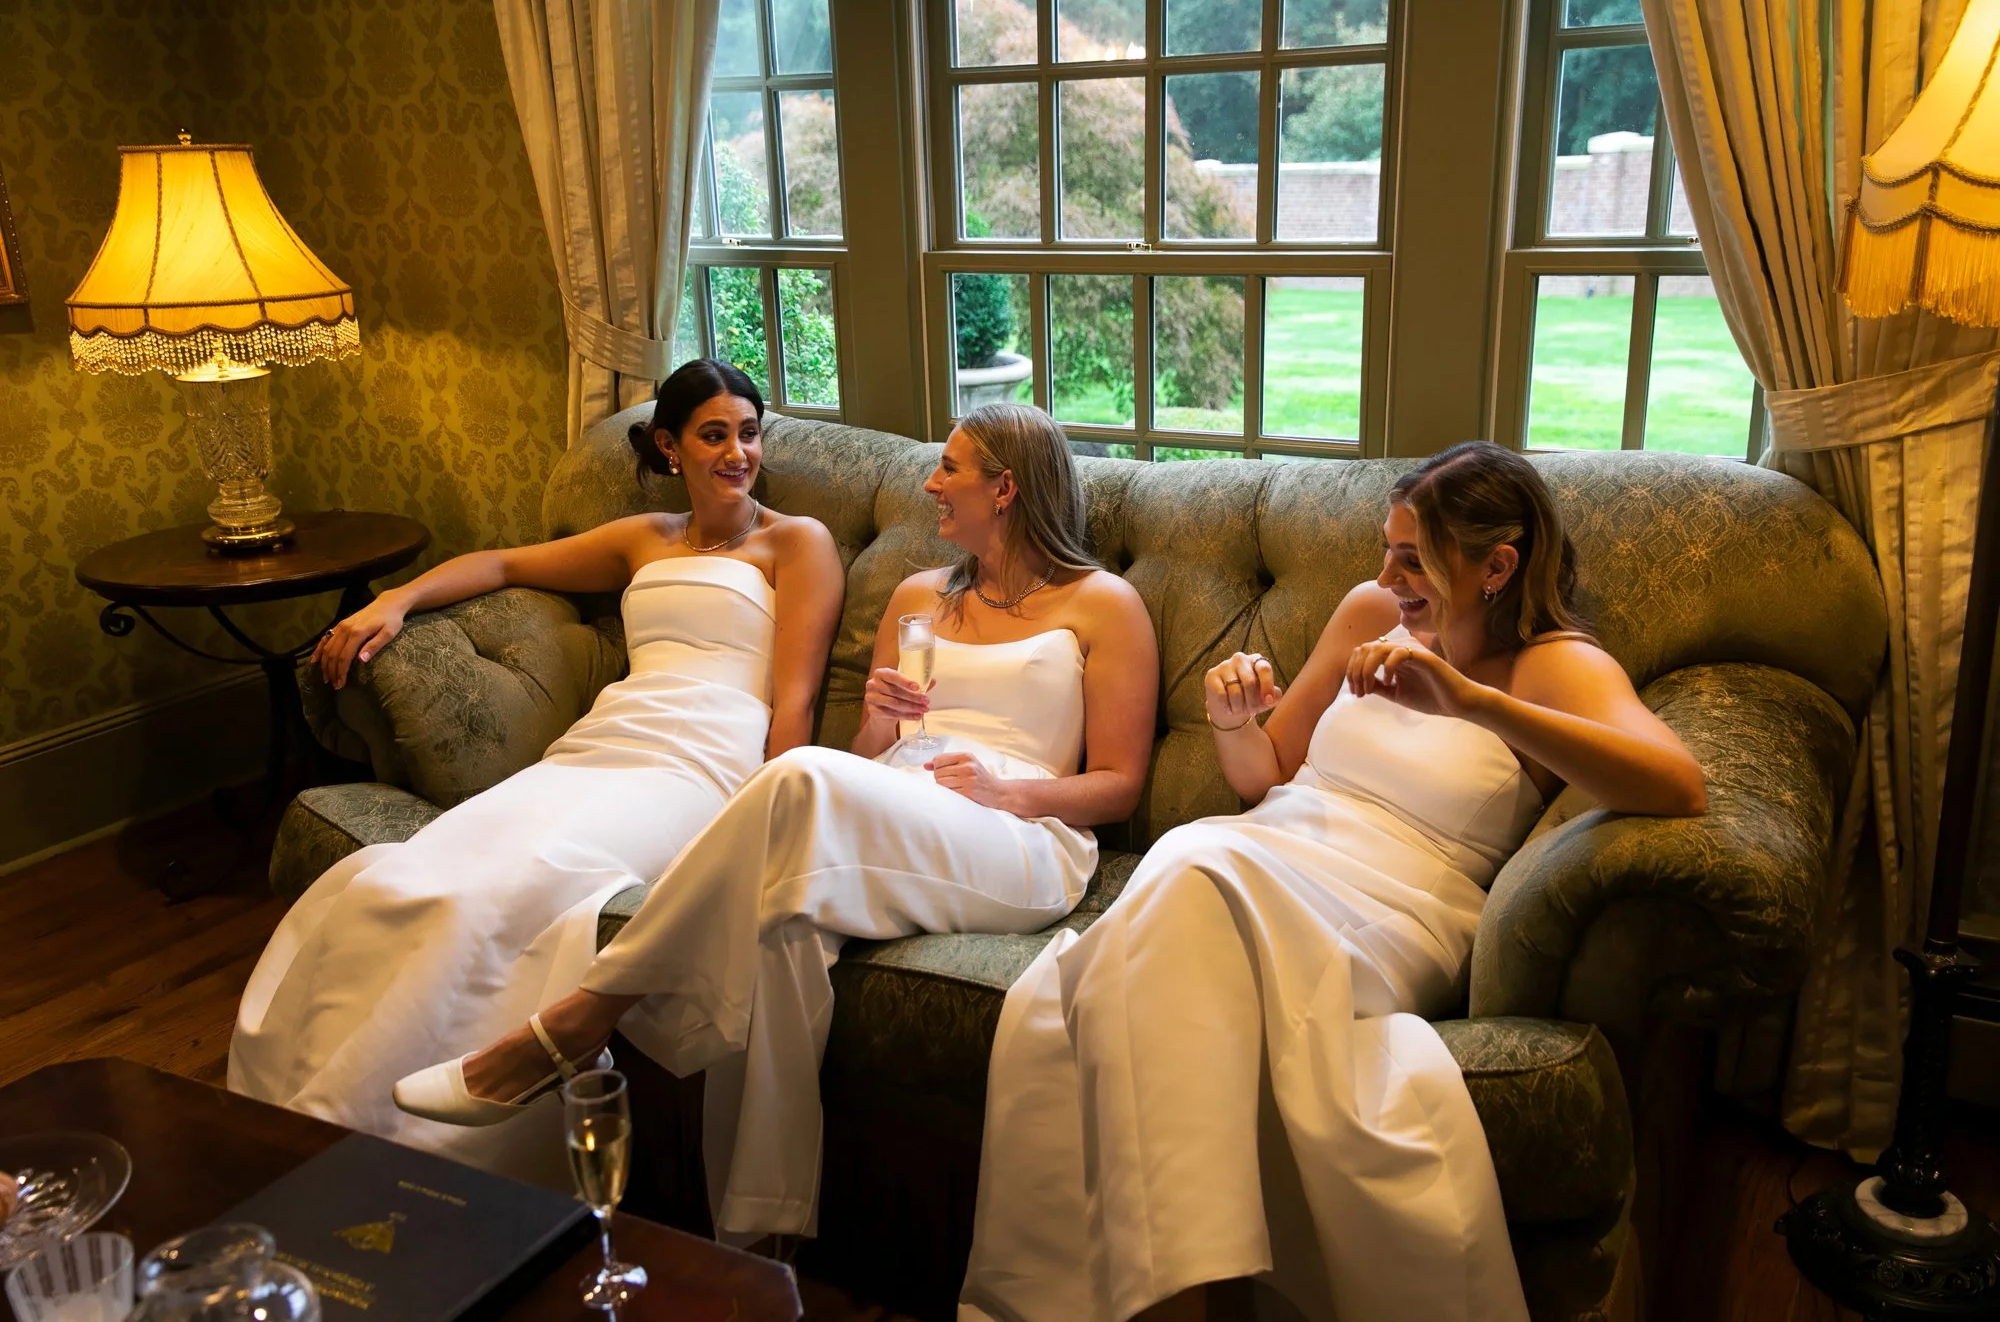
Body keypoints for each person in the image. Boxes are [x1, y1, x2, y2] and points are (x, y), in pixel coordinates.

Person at [959, 441, 1708, 1322]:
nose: (1387, 575)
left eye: (1412, 556)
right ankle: (1183, 1292)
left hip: (1403, 899)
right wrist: (1236, 719)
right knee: (1182, 880)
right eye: (1385, 549)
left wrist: (1468, 700)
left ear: (1497, 566)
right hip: (1272, 843)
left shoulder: (1552, 665)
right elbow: (1267, 773)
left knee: (1181, 895)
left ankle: (1168, 1301)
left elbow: (1678, 784)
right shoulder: (1366, 614)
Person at [396, 403, 1161, 1245]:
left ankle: (579, 1019)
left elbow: (1120, 785)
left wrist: (1008, 792)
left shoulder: (1103, 604)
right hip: (899, 803)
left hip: (1020, 833)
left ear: (1005, 488)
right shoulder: (919, 599)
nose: (929, 483)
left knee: (794, 775)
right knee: (780, 929)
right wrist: (878, 717)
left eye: (949, 468)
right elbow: (873, 758)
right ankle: (762, 1242)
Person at [229, 360, 844, 1181]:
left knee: (506, 890)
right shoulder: (643, 539)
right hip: (608, 738)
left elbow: (793, 704)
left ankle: (410, 1145)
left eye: (749, 433)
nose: (738, 452)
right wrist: (393, 601)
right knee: (410, 878)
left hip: (706, 759)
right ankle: (317, 1123)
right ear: (669, 447)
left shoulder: (797, 542)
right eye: (714, 434)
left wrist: (768, 815)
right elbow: (503, 565)